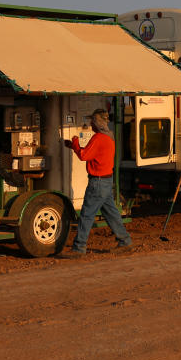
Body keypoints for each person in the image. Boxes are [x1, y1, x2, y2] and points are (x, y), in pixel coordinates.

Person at [60, 109, 132, 257]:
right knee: (111, 213)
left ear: (97, 123)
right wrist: (74, 147)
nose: (90, 124)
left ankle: (79, 248)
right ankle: (125, 241)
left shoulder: (98, 138)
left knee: (86, 215)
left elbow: (84, 156)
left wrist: (75, 143)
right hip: (106, 181)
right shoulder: (108, 136)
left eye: (92, 121)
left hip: (97, 183)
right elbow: (91, 152)